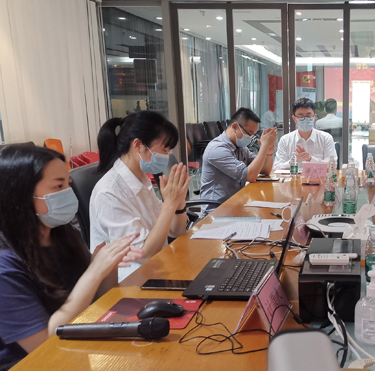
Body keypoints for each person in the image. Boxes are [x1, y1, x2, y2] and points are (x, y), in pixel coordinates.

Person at [0, 145, 141, 369]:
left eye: (68, 184)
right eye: (59, 186)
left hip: (77, 346)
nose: (68, 193)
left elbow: (96, 300)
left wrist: (108, 266)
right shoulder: (5, 269)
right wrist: (94, 272)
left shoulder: (61, 234)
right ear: (21, 195)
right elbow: (45, 347)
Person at [91, 111, 190, 282]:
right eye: (164, 149)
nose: (166, 156)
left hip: (157, 268)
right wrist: (169, 203)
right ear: (138, 145)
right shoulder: (109, 192)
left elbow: (176, 230)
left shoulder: (140, 179)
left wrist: (178, 202)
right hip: (130, 282)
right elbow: (143, 254)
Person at [201, 108, 277, 214]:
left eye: (253, 135)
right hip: (216, 211)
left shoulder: (240, 147)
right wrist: (263, 147)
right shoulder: (217, 149)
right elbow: (250, 176)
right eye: (249, 133)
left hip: (235, 204)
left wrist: (268, 153)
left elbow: (264, 170)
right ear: (235, 126)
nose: (251, 138)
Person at [273, 98, 337, 170]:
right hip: (293, 177)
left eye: (309, 116)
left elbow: (333, 165)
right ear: (294, 118)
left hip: (318, 177)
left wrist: (311, 159)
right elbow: (277, 167)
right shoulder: (285, 140)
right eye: (300, 116)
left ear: (314, 117)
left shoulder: (326, 138)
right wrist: (295, 161)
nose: (305, 119)